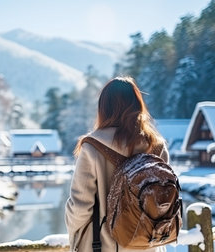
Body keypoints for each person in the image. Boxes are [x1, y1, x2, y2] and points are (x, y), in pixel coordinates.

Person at [65, 76, 169, 252]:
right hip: (147, 246)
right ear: (138, 105)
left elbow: (80, 207)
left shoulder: (92, 146)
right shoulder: (156, 145)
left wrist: (74, 237)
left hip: (102, 245)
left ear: (103, 108)